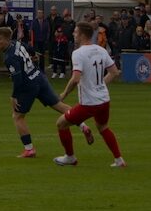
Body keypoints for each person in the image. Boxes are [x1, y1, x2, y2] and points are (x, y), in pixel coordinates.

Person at [0, 26, 87, 159]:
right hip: (39, 77)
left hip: (28, 85)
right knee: (59, 105)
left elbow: (18, 79)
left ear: (7, 39)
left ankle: (29, 149)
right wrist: (33, 55)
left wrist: (13, 96)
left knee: (18, 117)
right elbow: (29, 47)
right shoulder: (17, 43)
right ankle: (83, 126)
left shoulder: (9, 57)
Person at [53, 21, 126, 168]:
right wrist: (100, 86)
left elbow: (75, 79)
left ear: (81, 35)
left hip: (89, 103)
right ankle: (119, 160)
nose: (73, 34)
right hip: (104, 100)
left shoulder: (78, 53)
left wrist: (64, 94)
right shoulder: (100, 50)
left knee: (61, 124)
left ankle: (70, 157)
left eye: (75, 32)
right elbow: (114, 72)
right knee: (103, 127)